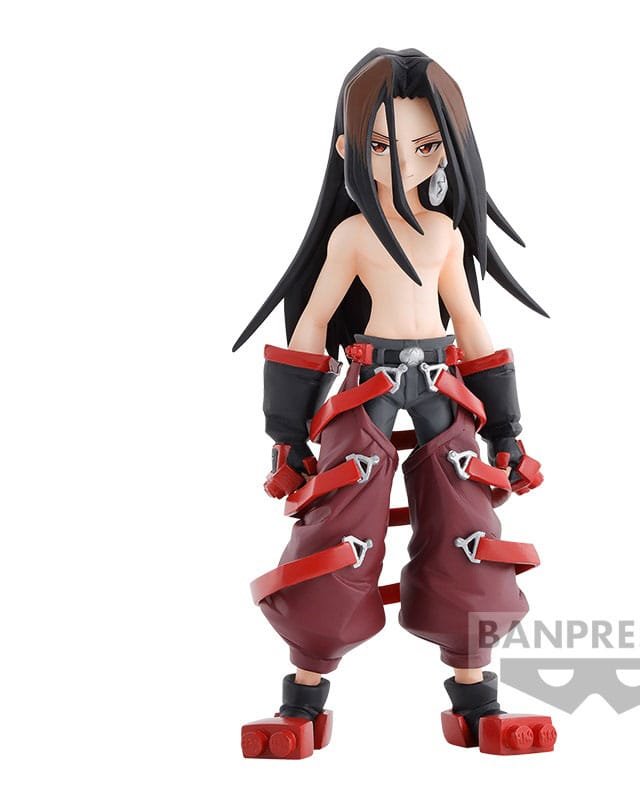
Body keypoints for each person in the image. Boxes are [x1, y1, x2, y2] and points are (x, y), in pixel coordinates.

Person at [235, 48, 556, 758]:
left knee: (469, 524)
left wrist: (506, 430)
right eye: (381, 146)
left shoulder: (442, 233)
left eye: (425, 145)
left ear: (447, 150)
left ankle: (477, 702)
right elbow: (313, 324)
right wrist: (288, 434)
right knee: (336, 526)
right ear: (348, 150)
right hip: (369, 378)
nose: (405, 160)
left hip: (443, 379)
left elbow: (469, 323)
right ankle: (302, 702)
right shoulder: (351, 235)